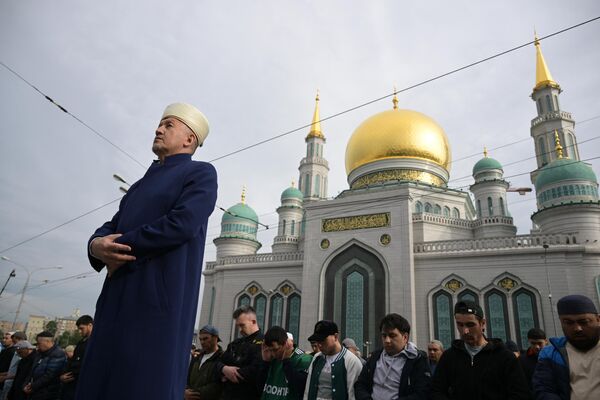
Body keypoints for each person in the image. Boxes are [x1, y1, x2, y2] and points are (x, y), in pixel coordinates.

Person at [76, 103, 218, 400]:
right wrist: (96, 245)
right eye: (159, 123)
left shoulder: (200, 174)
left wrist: (117, 246)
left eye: (168, 125)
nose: (158, 128)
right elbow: (109, 226)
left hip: (156, 306)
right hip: (115, 301)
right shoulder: (138, 187)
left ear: (189, 139)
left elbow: (181, 224)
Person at [430, 300, 530, 400]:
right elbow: (437, 391)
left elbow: (520, 394)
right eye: (460, 325)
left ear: (482, 323)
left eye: (470, 325)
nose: (465, 331)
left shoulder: (504, 357)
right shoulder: (449, 357)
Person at [532, 294, 600, 400]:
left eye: (584, 322)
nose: (577, 328)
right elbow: (544, 390)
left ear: (598, 319)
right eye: (569, 323)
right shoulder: (550, 355)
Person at [355, 313, 431, 400]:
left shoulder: (417, 360)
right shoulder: (374, 357)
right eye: (384, 336)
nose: (387, 340)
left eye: (392, 336)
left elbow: (422, 393)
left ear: (405, 337)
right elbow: (360, 384)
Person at [303, 320, 363, 400]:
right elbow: (308, 389)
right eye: (318, 341)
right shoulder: (317, 358)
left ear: (335, 337)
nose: (319, 345)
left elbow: (353, 395)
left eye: (323, 340)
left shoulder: (351, 361)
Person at [217, 305, 264, 400]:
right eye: (238, 326)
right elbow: (217, 363)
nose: (240, 330)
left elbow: (256, 370)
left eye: (242, 325)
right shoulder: (235, 344)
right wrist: (224, 369)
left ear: (253, 322)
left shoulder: (264, 343)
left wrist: (232, 373)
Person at [258, 326, 312, 399]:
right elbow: (258, 387)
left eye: (275, 350)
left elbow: (300, 387)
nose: (273, 354)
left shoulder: (303, 359)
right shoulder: (271, 359)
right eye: (270, 350)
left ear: (285, 344)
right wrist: (265, 362)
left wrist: (286, 360)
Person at [24, 331, 66, 400]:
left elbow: (50, 375)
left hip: (47, 393)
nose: (37, 346)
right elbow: (32, 371)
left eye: (39, 343)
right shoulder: (40, 353)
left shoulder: (58, 354)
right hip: (34, 391)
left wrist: (32, 386)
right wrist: (25, 385)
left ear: (47, 342)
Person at [185, 325, 224, 400]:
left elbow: (218, 386)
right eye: (200, 339)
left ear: (215, 338)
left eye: (205, 338)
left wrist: (192, 394)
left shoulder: (223, 358)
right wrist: (185, 392)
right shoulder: (197, 357)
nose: (202, 342)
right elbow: (188, 378)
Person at [60, 315, 93, 400]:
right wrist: (63, 375)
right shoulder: (81, 342)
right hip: (69, 385)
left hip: (80, 385)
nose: (79, 331)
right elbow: (72, 360)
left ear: (90, 325)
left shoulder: (95, 343)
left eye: (82, 328)